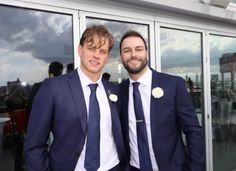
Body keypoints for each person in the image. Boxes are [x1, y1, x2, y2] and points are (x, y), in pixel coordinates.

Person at [24, 25, 127, 171]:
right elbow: (34, 145)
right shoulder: (53, 88)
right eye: (91, 48)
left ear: (107, 57)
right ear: (80, 50)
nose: (96, 55)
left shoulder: (114, 90)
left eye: (102, 51)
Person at [119, 31, 205, 171]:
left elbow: (193, 131)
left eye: (138, 49)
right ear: (121, 56)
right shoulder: (120, 91)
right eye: (127, 50)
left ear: (146, 52)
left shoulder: (173, 85)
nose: (133, 54)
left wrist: (194, 168)